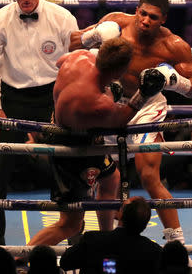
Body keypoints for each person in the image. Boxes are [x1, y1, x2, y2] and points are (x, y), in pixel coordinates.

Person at [70, 0, 192, 258]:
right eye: (142, 13)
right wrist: (92, 36)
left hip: (146, 105)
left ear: (163, 19)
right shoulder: (116, 23)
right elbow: (72, 44)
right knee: (107, 178)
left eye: (152, 17)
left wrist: (177, 82)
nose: (144, 20)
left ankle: (177, 247)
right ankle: (106, 242)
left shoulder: (173, 45)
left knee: (149, 176)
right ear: (137, 9)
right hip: (111, 100)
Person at [25, 37, 165, 249]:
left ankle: (106, 240)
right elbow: (119, 121)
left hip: (75, 130)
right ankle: (19, 256)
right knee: (70, 225)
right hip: (71, 149)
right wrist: (142, 95)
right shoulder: (98, 103)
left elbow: (58, 62)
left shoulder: (78, 57)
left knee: (112, 177)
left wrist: (106, 87)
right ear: (120, 70)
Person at [0, 0, 79, 245]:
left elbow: (79, 59)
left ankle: (74, 234)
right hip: (13, 97)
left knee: (68, 162)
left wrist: (71, 99)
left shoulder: (61, 17)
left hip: (53, 95)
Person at [60, 196, 163, 274]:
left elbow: (65, 262)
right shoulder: (154, 251)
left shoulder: (92, 240)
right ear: (145, 223)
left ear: (120, 214)